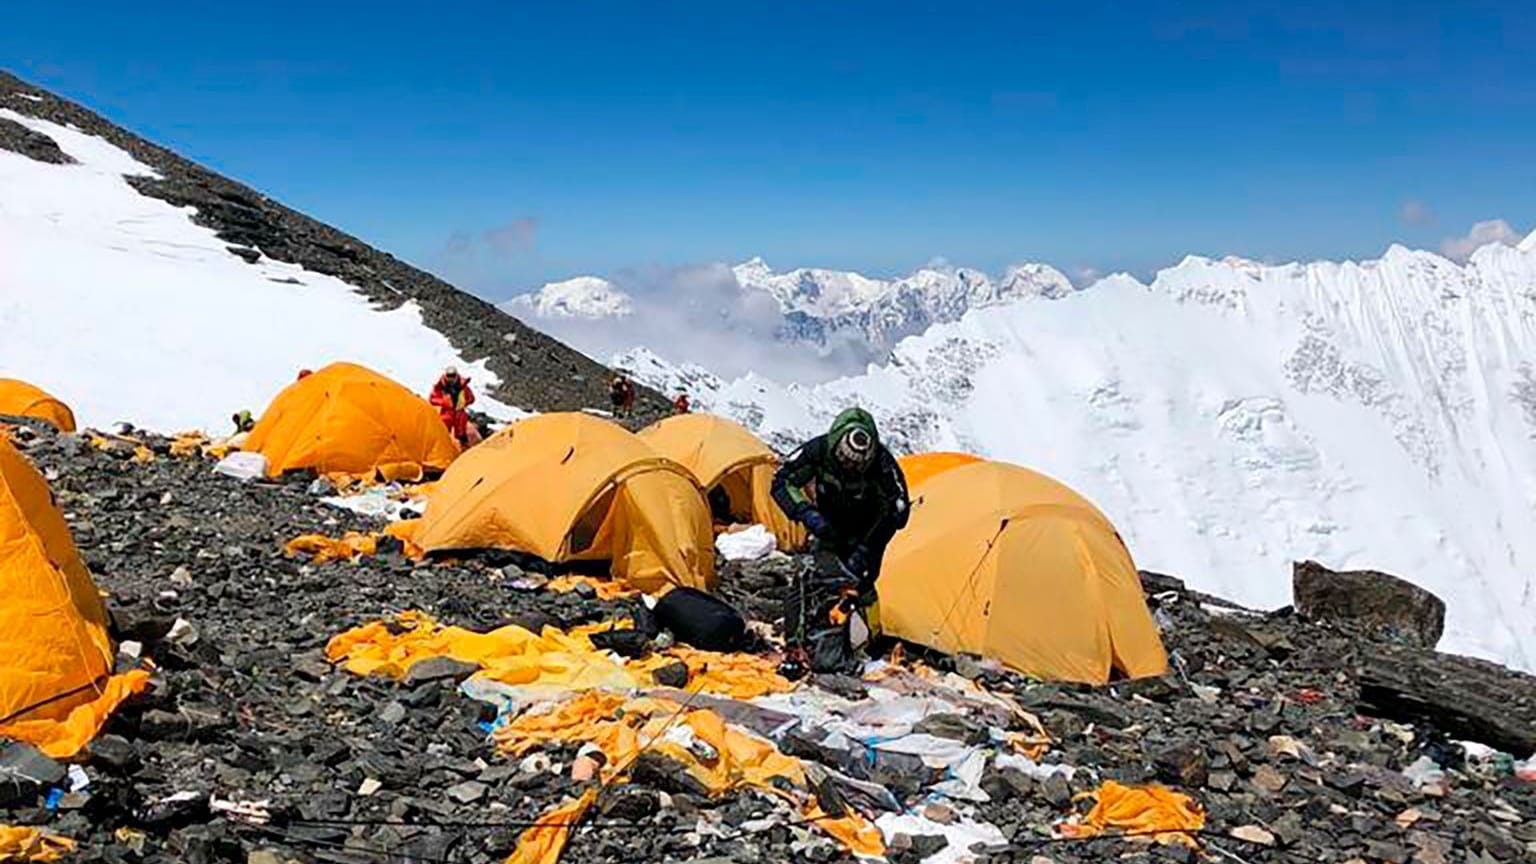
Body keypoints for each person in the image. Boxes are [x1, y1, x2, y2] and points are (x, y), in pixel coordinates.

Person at [772, 408, 909, 674]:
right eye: (845, 461)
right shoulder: (818, 450)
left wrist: (868, 547)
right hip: (827, 528)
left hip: (867, 533)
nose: (850, 468)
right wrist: (806, 513)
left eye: (857, 465)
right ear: (837, 447)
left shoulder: (883, 464)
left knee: (861, 585)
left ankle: (871, 644)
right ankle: (796, 644)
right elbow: (782, 480)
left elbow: (899, 512)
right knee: (807, 581)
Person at [429, 366, 476, 445]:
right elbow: (432, 399)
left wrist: (464, 402)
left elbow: (471, 398)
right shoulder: (440, 386)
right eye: (449, 376)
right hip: (447, 411)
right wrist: (444, 402)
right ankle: (443, 445)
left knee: (461, 430)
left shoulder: (463, 386)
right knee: (444, 429)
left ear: (456, 375)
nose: (451, 378)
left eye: (453, 375)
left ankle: (463, 446)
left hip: (459, 411)